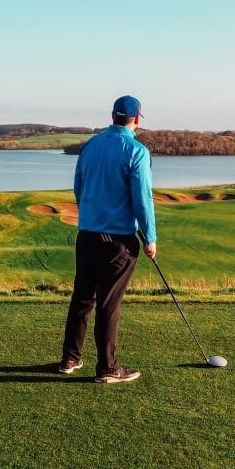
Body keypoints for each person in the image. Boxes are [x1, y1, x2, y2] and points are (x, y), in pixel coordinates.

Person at [56, 95, 156, 383]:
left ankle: (70, 358)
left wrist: (91, 214)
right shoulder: (137, 151)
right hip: (119, 241)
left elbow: (79, 187)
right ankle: (108, 368)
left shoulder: (90, 146)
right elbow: (143, 199)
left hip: (87, 235)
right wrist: (150, 237)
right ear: (136, 118)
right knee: (109, 303)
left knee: (83, 298)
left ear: (113, 115)